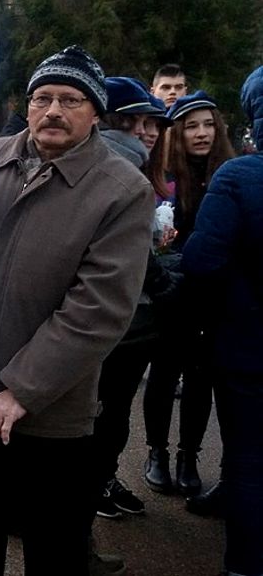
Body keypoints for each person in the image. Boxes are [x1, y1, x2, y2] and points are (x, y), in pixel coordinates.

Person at [0, 46, 153, 575]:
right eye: (42, 98)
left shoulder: (123, 190)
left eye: (70, 99)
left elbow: (99, 309)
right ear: (28, 106)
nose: (54, 110)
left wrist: (21, 390)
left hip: (52, 414)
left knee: (54, 548)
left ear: (95, 112)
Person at [179, 64, 263, 576]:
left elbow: (201, 260)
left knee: (250, 459)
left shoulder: (239, 176)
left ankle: (245, 566)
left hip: (249, 348)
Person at [89, 78, 181, 524]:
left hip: (126, 313)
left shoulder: (131, 158)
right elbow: (124, 246)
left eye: (152, 121)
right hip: (122, 316)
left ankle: (95, 485)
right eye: (136, 120)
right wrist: (165, 280)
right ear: (112, 120)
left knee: (108, 410)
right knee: (105, 411)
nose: (146, 129)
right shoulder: (117, 160)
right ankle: (89, 493)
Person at [142, 91, 235, 497]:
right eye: (191, 126)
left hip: (213, 296)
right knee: (163, 375)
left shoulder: (229, 173)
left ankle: (188, 455)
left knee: (201, 379)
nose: (201, 134)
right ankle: (157, 452)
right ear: (177, 132)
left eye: (208, 124)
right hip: (170, 294)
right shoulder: (162, 176)